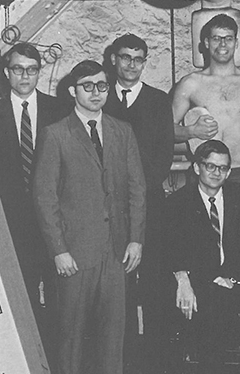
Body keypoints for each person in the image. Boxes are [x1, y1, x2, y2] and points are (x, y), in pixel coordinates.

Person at [33, 60, 146, 374]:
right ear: (73, 91)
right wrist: (59, 250)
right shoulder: (55, 135)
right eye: (87, 86)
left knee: (114, 337)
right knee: (71, 338)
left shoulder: (122, 131)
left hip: (117, 252)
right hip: (75, 254)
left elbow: (137, 188)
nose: (96, 93)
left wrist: (136, 240)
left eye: (102, 86)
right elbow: (45, 198)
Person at [0, 42, 63, 367]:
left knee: (58, 298)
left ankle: (56, 364)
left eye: (32, 69)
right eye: (18, 69)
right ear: (8, 73)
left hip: (54, 224)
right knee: (18, 299)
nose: (25, 75)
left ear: (39, 71)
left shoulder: (59, 111)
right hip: (12, 227)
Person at [166, 139, 240, 374]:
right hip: (198, 285)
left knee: (214, 311)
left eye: (222, 168)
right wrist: (184, 281)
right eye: (210, 166)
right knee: (209, 307)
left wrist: (231, 278)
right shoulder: (178, 203)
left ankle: (214, 357)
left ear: (229, 172)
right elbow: (171, 249)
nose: (216, 172)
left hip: (237, 285)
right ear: (197, 167)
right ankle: (230, 349)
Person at [103, 33, 174, 373]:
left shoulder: (158, 101)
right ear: (114, 59)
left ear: (145, 62)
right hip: (112, 208)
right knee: (120, 286)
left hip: (150, 204)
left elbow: (163, 156)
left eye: (138, 58)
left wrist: (139, 192)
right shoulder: (101, 98)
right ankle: (125, 358)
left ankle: (157, 361)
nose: (131, 64)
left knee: (155, 282)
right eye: (126, 57)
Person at [172, 13, 240, 220]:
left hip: (239, 173)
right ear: (206, 43)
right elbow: (165, 130)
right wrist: (191, 131)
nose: (222, 44)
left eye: (228, 38)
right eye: (216, 38)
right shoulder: (191, 84)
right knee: (199, 242)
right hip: (202, 173)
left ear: (236, 43)